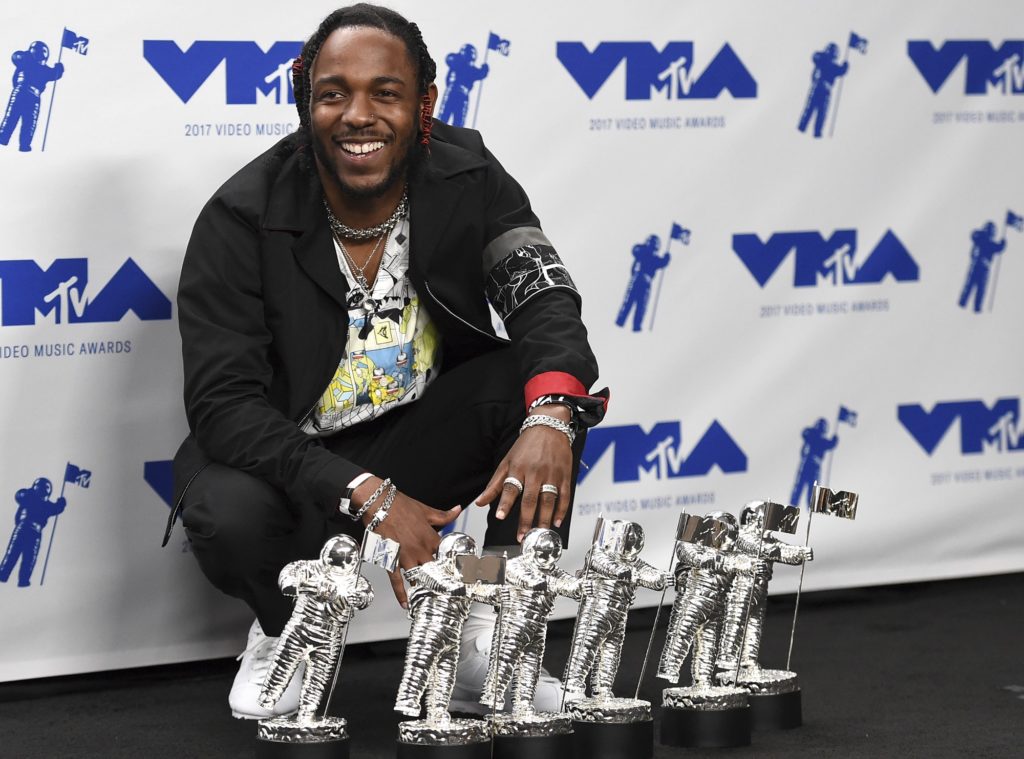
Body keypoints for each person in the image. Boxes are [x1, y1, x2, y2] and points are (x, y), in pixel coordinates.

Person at [167, 4, 606, 720]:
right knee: (225, 507)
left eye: (385, 93)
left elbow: (543, 302)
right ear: (303, 99)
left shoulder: (470, 174)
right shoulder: (241, 215)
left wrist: (553, 412)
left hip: (421, 439)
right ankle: (287, 630)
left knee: (539, 398)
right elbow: (224, 406)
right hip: (297, 472)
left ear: (424, 104)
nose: (357, 115)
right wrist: (367, 493)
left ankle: (480, 627)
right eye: (333, 92)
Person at [0, 478, 66, 587]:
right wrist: (61, 503)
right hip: (32, 530)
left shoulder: (30, 497)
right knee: (28, 557)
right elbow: (57, 508)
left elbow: (19, 495)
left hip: (25, 528)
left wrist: (61, 504)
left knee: (16, 554)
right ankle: (21, 580)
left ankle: (7, 575)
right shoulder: (39, 501)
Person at [0, 41, 63, 152]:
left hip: (32, 95)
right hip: (23, 91)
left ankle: (22, 144)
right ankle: (5, 138)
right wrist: (58, 70)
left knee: (28, 121)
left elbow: (54, 74)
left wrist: (59, 69)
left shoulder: (43, 69)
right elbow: (16, 56)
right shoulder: (25, 61)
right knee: (14, 117)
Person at [615, 234, 670, 332]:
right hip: (641, 279)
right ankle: (630, 325)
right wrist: (666, 258)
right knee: (637, 304)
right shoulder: (644, 253)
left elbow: (662, 262)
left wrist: (666, 258)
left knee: (635, 303)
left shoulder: (644, 253)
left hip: (640, 279)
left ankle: (629, 324)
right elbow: (662, 262)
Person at [797, 43, 847, 139]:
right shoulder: (822, 60)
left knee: (820, 113)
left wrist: (844, 67)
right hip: (818, 87)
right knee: (811, 110)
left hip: (824, 90)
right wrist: (844, 67)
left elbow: (840, 71)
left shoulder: (830, 64)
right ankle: (805, 129)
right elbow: (816, 57)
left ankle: (816, 132)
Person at [958, 221, 1006, 312]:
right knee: (975, 288)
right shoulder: (982, 239)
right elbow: (998, 248)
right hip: (980, 266)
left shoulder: (983, 240)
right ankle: (972, 307)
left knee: (976, 289)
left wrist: (1002, 244)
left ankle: (973, 307)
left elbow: (998, 248)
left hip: (980, 267)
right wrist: (1003, 243)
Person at [790, 418, 837, 508]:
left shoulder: (817, 438)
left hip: (811, 464)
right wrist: (834, 440)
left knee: (807, 487)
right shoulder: (812, 436)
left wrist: (834, 440)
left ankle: (807, 505)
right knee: (802, 485)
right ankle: (797, 504)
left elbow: (830, 444)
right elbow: (804, 433)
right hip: (809, 464)